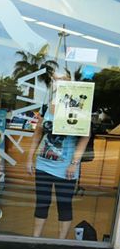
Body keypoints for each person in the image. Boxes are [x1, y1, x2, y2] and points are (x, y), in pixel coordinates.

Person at [26, 88, 89, 239]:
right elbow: (38, 134)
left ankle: (61, 242)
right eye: (55, 81)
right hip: (43, 164)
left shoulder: (78, 107)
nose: (57, 84)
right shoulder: (47, 107)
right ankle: (35, 239)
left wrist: (74, 163)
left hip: (66, 167)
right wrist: (29, 157)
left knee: (64, 204)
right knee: (42, 202)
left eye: (61, 80)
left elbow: (85, 137)